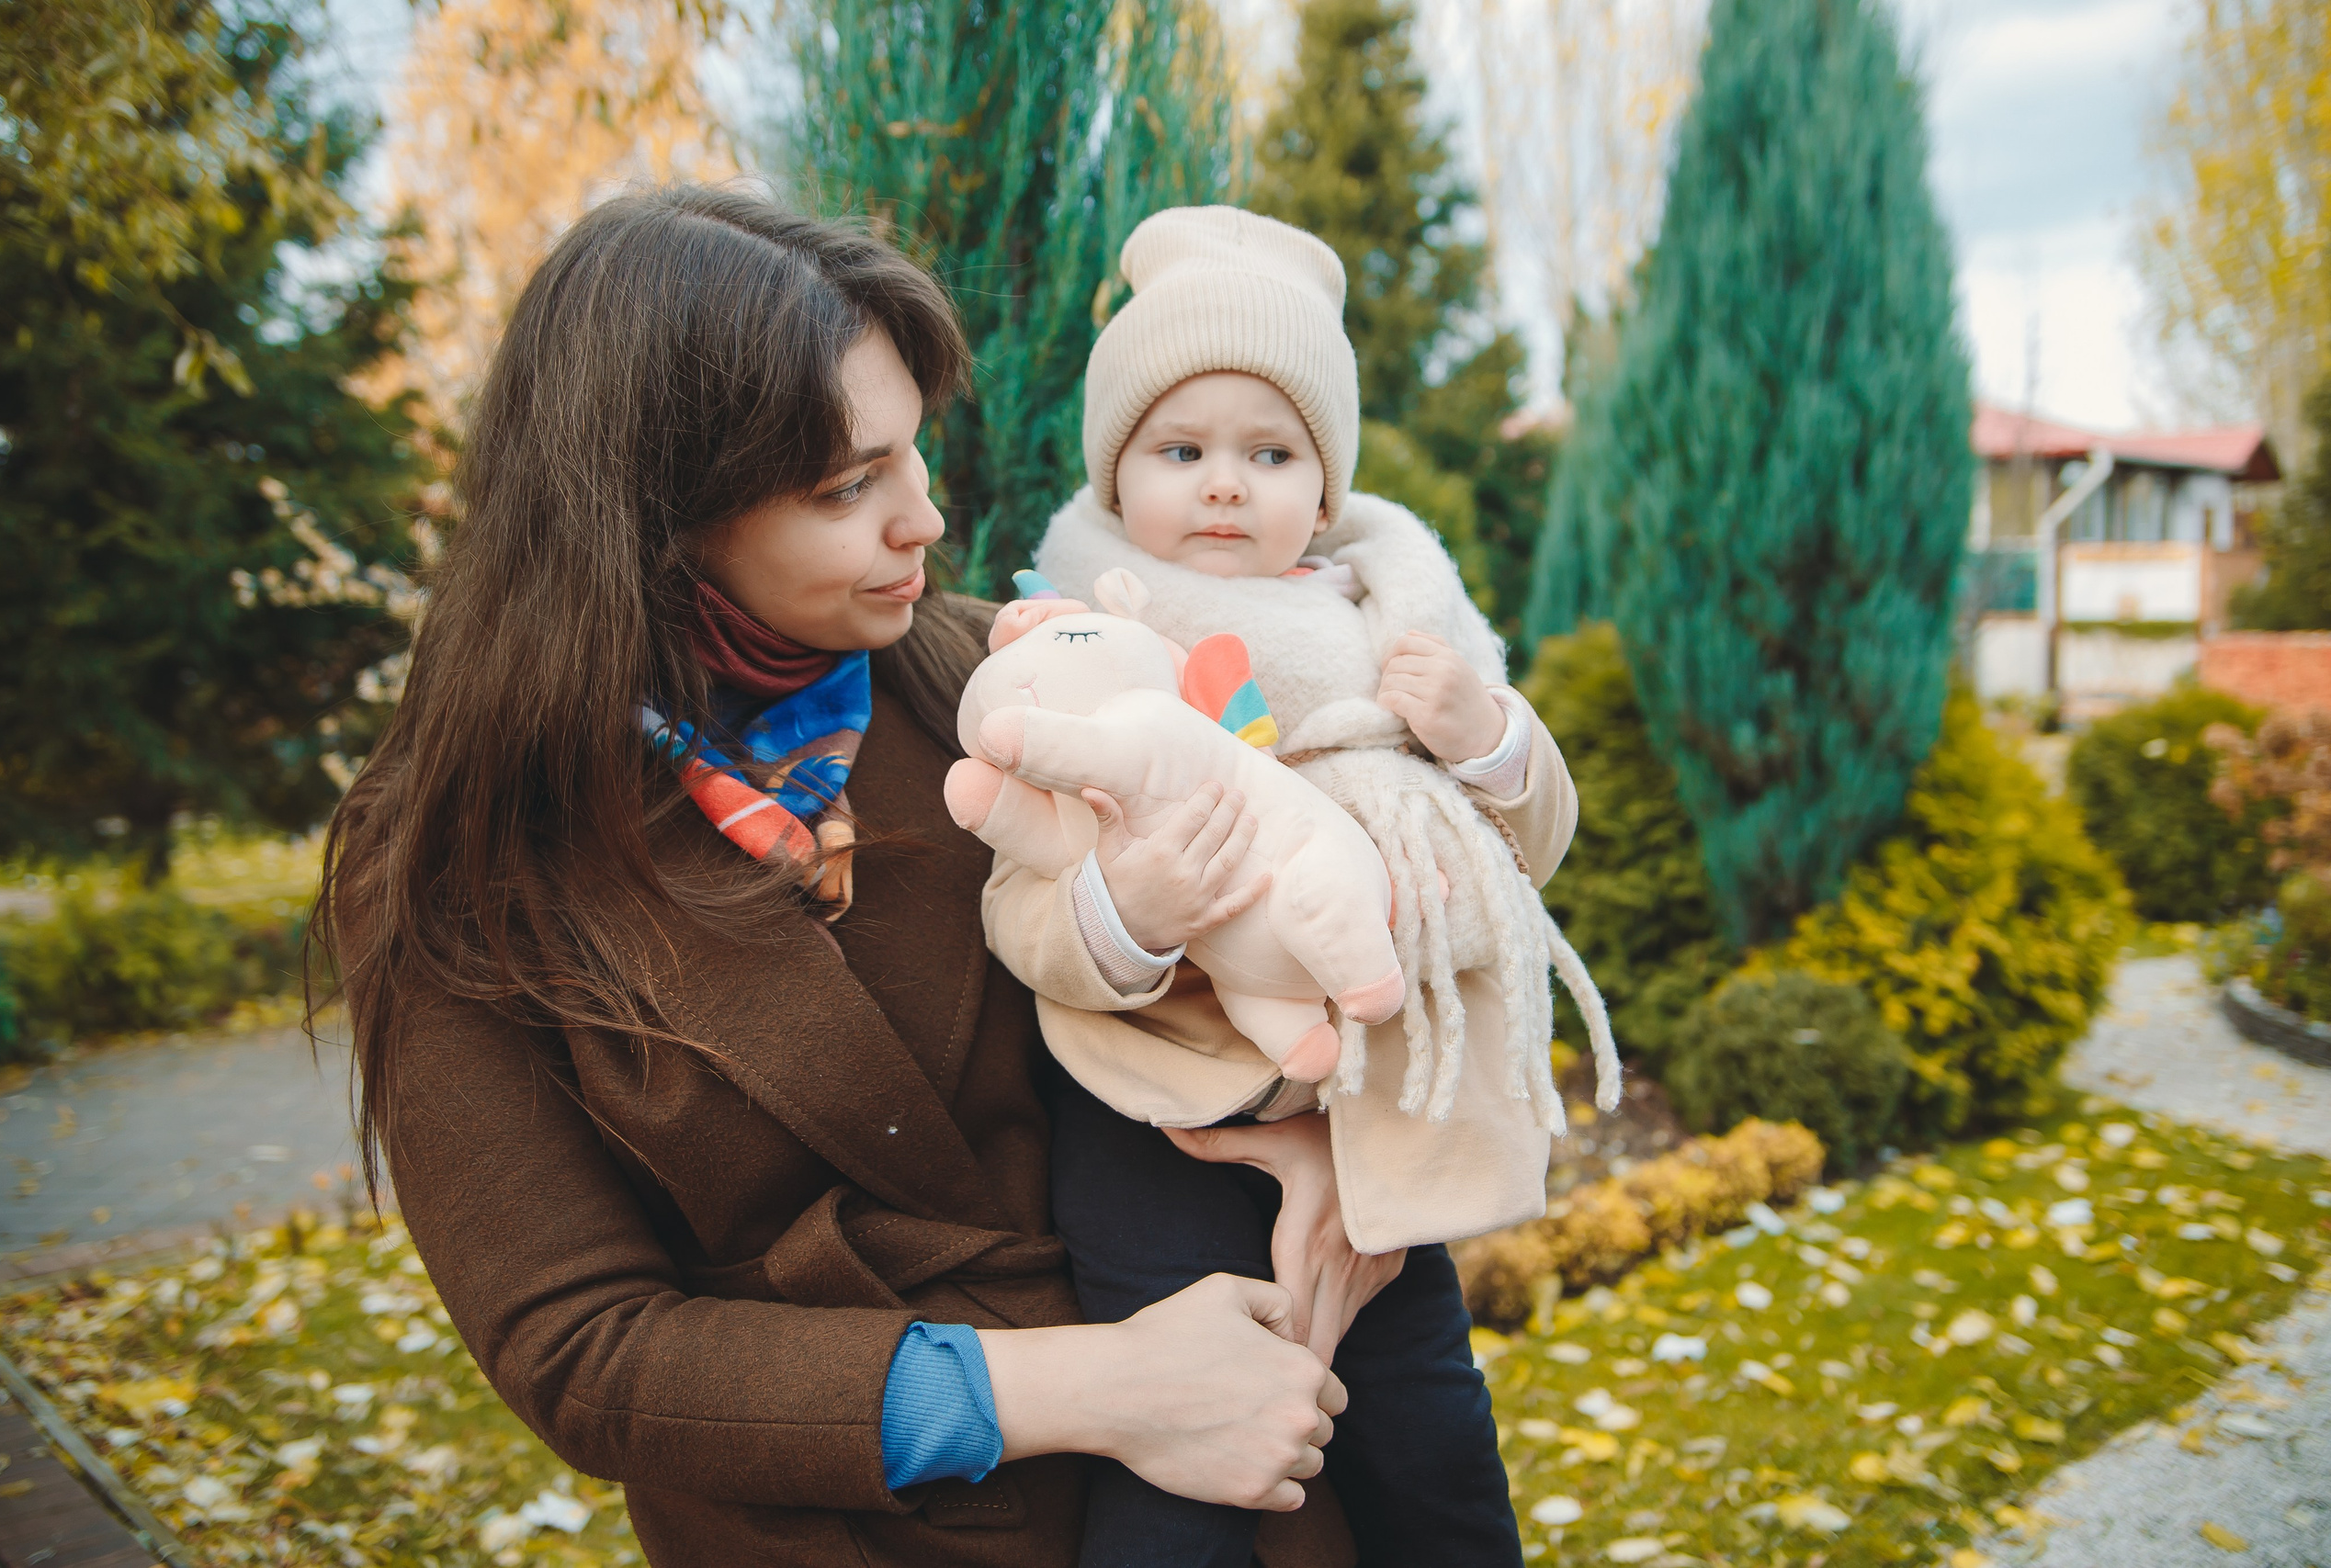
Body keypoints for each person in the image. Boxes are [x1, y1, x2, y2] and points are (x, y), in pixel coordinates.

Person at [313, 186, 1364, 1568]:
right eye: (846, 486)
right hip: (845, 1528)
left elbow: (1339, 883)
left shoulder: (1024, 682)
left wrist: (1346, 1156)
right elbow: (583, 1352)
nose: (924, 520)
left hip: (1242, 1464)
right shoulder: (454, 858)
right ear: (656, 518)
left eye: (912, 454)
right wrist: (1096, 1390)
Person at [977, 206, 1605, 1566]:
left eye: (1269, 454)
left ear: (1322, 495)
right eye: (1180, 449)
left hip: (1376, 1120)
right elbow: (1022, 900)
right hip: (1160, 1126)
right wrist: (1129, 919)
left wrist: (1485, 736)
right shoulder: (1082, 650)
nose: (1222, 485)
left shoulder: (1402, 637)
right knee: (1188, 1470)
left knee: (1430, 1436)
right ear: (1113, 481)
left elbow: (1527, 856)